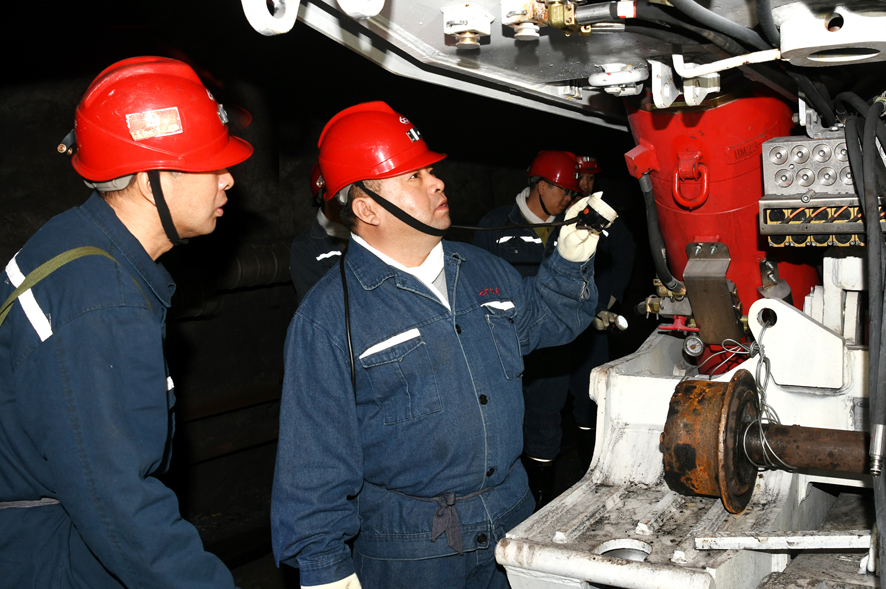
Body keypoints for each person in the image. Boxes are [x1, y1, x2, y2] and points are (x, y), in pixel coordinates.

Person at [271, 102, 610, 589]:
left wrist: (570, 261)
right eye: (414, 176)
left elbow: (551, 321)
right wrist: (326, 570)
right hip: (412, 548)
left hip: (511, 519)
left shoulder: (483, 269)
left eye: (430, 170)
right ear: (367, 208)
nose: (437, 183)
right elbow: (312, 463)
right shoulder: (328, 318)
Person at [0, 56, 252, 588]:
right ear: (147, 178)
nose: (229, 178)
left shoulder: (70, 239)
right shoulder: (104, 303)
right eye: (210, 163)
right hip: (52, 561)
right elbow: (121, 507)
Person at [472, 151, 587, 508]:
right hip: (504, 351)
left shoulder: (572, 228)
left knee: (545, 428)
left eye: (572, 193)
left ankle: (541, 502)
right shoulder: (496, 225)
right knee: (501, 427)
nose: (568, 199)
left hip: (551, 355)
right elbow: (474, 286)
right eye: (563, 190)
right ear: (541, 186)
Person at [568, 155, 635, 470]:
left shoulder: (602, 215)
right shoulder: (555, 214)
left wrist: (611, 298)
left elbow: (626, 249)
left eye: (591, 178)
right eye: (580, 177)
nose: (585, 185)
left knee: (590, 392)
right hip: (556, 319)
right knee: (548, 399)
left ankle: (589, 463)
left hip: (593, 321)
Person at [290, 162, 350, 304]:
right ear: (324, 195)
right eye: (341, 190)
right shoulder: (305, 247)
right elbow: (315, 306)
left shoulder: (368, 234)